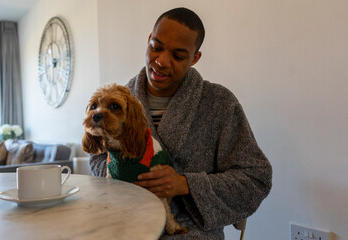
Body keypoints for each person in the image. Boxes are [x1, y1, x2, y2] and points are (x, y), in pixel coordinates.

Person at [90, 7, 272, 239]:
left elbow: (255, 179)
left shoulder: (220, 104)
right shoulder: (117, 101)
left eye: (178, 56)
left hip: (190, 231)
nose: (162, 61)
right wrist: (122, 180)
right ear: (148, 41)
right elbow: (97, 156)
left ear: (195, 58)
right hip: (125, 221)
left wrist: (185, 184)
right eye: (156, 48)